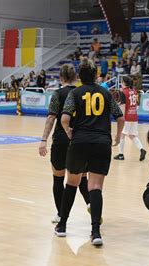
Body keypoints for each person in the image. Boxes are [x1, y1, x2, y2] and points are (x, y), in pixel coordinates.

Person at [54, 58, 125, 246]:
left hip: (80, 141)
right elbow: (120, 117)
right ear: (96, 75)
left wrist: (70, 132)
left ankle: (62, 226)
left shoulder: (75, 93)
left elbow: (64, 118)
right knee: (95, 187)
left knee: (72, 182)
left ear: (79, 76)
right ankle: (95, 232)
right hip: (102, 142)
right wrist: (117, 137)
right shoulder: (105, 93)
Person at [39, 64, 93, 224]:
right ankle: (91, 204)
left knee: (58, 178)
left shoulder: (57, 94)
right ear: (76, 77)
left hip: (61, 140)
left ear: (61, 78)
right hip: (80, 139)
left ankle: (61, 214)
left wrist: (43, 140)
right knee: (82, 177)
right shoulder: (82, 93)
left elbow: (51, 118)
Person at [113, 76, 147, 161]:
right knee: (132, 135)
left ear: (124, 83)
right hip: (134, 116)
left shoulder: (123, 92)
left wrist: (121, 118)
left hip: (127, 117)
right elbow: (137, 105)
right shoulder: (134, 91)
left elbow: (123, 106)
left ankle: (121, 154)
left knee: (122, 135)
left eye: (121, 81)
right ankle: (142, 149)